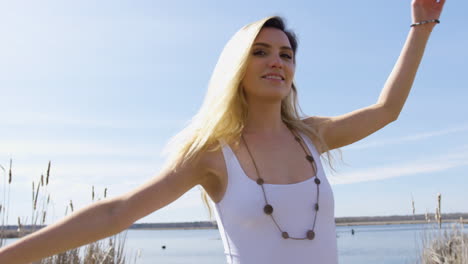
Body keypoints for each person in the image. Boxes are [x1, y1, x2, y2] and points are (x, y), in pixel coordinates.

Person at [0, 0, 446, 263]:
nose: (277, 61)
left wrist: (422, 24)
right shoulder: (213, 156)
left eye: (286, 54)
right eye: (261, 51)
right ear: (237, 67)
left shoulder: (313, 137)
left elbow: (387, 109)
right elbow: (117, 213)